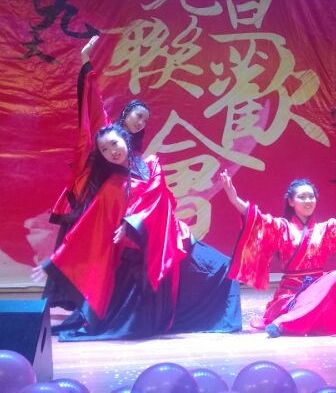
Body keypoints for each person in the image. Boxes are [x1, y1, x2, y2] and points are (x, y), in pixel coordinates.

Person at [38, 124, 242, 340]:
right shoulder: (111, 187)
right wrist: (57, 261)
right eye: (104, 150)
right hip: (142, 252)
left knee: (224, 268)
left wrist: (131, 224)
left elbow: (156, 196)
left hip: (172, 239)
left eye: (114, 143)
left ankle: (219, 318)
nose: (111, 152)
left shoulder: (152, 164)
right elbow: (89, 225)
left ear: (126, 139)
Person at [218, 170, 336, 338]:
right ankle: (288, 320)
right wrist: (234, 199)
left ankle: (287, 323)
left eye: (311, 197)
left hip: (317, 295)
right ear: (291, 202)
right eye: (302, 197)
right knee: (332, 280)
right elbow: (258, 220)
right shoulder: (282, 228)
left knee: (334, 277)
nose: (308, 201)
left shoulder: (326, 229)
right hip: (289, 297)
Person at [43, 35, 151, 310]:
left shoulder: (134, 154)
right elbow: (93, 101)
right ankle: (71, 300)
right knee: (78, 247)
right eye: (138, 115)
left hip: (110, 209)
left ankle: (95, 303)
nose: (141, 122)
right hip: (89, 199)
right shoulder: (106, 129)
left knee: (102, 255)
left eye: (145, 120)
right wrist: (85, 61)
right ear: (126, 113)